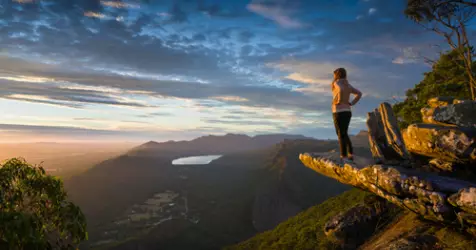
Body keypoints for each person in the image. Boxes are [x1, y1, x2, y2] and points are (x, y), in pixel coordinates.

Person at [331, 68, 362, 164]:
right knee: (344, 133)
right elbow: (359, 93)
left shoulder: (336, 83)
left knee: (340, 133)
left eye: (334, 75)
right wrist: (351, 103)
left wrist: (339, 100)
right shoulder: (348, 85)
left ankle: (343, 156)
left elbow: (340, 90)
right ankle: (350, 153)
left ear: (337, 75)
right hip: (347, 111)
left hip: (338, 111)